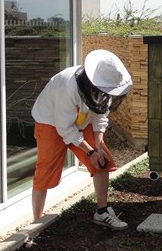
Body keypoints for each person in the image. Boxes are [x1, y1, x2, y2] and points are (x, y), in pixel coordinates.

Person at [31, 49, 132, 230]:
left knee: (102, 161)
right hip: (50, 121)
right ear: (92, 82)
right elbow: (65, 128)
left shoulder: (105, 87)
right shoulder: (66, 86)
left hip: (79, 119)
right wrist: (90, 151)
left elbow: (100, 116)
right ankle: (37, 223)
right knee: (45, 172)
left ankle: (101, 212)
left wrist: (98, 147)